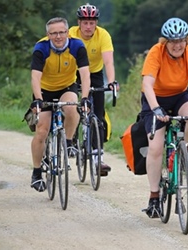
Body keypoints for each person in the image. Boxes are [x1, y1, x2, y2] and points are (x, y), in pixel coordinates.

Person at [140, 17, 188, 218]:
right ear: (165, 42)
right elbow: (147, 85)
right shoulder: (155, 52)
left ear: (187, 40)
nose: (177, 45)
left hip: (180, 96)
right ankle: (153, 197)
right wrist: (156, 109)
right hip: (155, 99)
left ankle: (185, 148)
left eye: (181, 40)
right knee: (156, 147)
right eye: (173, 41)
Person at [30, 17, 91, 192]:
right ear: (48, 35)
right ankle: (36, 173)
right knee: (42, 129)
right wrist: (38, 99)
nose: (58, 36)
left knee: (72, 106)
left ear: (67, 33)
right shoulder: (41, 48)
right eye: (54, 33)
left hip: (67, 86)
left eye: (61, 32)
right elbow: (35, 77)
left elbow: (85, 74)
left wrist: (85, 97)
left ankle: (69, 142)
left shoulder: (77, 46)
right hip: (44, 90)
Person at [69, 3, 117, 175]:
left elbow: (109, 62)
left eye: (92, 22)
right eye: (85, 22)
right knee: (72, 106)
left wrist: (111, 82)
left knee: (98, 114)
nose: (88, 26)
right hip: (72, 73)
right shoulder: (71, 34)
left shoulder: (103, 35)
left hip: (94, 73)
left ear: (96, 23)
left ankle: (98, 158)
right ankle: (71, 139)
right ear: (79, 23)